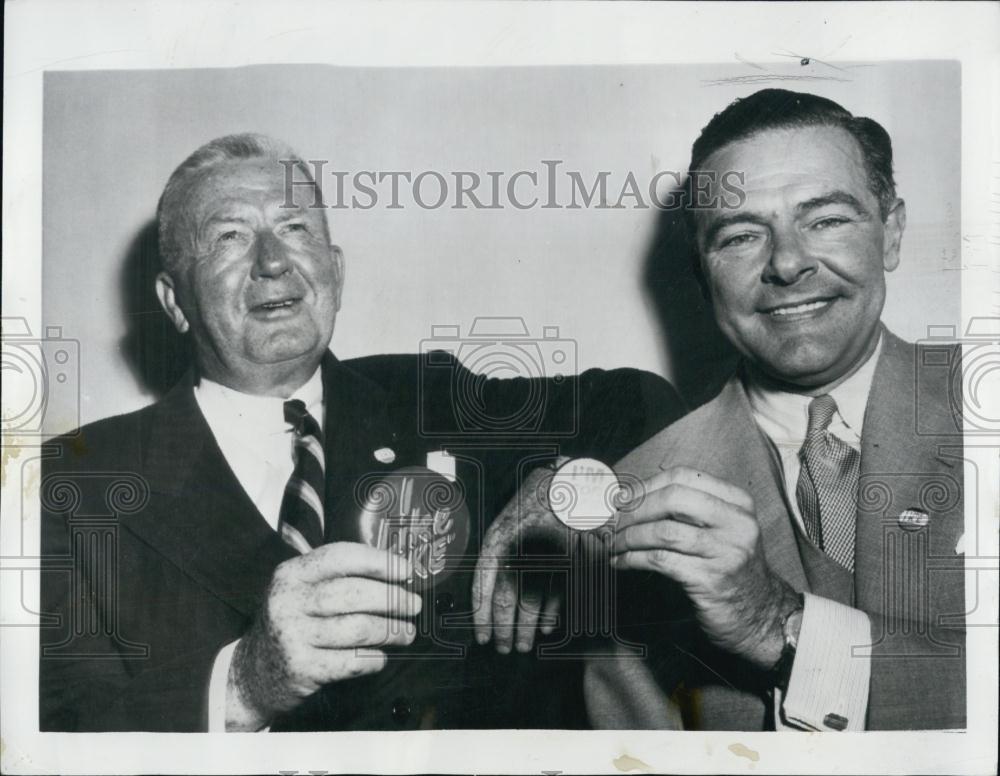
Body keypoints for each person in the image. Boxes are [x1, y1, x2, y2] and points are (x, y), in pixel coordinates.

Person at [38, 133, 684, 731]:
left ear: (335, 271)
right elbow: (56, 728)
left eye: (295, 229)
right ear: (174, 300)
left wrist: (572, 486)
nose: (272, 262)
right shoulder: (77, 479)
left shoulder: (431, 397)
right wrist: (242, 686)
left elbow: (641, 402)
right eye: (231, 236)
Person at [475, 89, 966, 731]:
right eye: (740, 236)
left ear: (892, 233)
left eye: (827, 220)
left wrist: (778, 626)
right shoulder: (645, 502)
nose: (787, 263)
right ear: (703, 276)